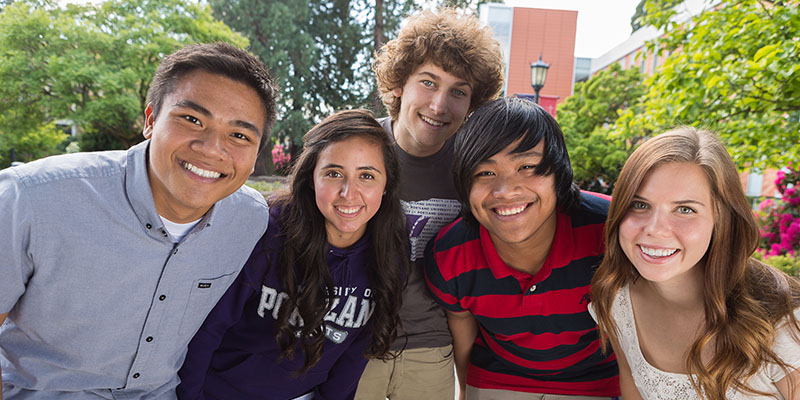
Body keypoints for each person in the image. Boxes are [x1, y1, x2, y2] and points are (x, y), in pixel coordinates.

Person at [0, 42, 278, 399]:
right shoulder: (32, 200)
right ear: (150, 120)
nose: (211, 148)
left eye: (239, 135)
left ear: (256, 156)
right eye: (192, 119)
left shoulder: (250, 219)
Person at [176, 110, 408, 399]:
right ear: (312, 178)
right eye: (334, 173)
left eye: (367, 176)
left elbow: (355, 353)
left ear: (386, 185)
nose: (349, 193)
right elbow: (209, 329)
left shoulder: (389, 251)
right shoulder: (267, 231)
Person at [425, 97, 620, 399]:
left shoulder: (611, 230)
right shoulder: (449, 254)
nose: (506, 191)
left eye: (527, 167)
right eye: (485, 173)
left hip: (596, 381)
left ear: (558, 174)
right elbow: (463, 338)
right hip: (497, 378)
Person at [355, 8, 504, 399]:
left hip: (431, 345)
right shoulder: (358, 150)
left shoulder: (472, 168)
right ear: (399, 84)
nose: (439, 105)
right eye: (428, 82)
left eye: (459, 91)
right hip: (353, 340)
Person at [589, 127, 800, 400]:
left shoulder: (785, 323)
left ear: (722, 220)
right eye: (640, 205)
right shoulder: (618, 301)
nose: (655, 229)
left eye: (685, 209)